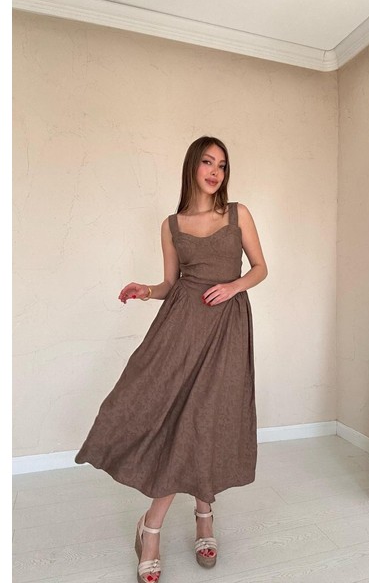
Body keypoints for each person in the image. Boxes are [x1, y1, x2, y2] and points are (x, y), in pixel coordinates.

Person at [75, 136, 268, 582]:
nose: (215, 171)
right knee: (170, 415)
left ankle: (198, 517)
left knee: (209, 419)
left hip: (227, 330)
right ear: (192, 166)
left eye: (222, 164)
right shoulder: (171, 225)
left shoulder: (238, 214)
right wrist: (146, 290)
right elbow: (171, 283)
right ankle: (154, 527)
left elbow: (260, 268)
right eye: (207, 162)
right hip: (180, 329)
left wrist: (234, 286)